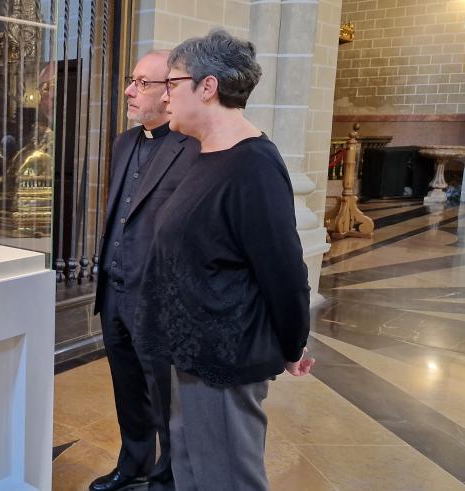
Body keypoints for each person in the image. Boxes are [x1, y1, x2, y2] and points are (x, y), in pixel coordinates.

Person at [135, 29, 316, 490]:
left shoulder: (253, 164)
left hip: (225, 357)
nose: (166, 97)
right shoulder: (205, 153)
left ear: (208, 86)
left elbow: (284, 271)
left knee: (228, 478)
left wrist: (292, 345)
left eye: (172, 84)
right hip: (192, 350)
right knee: (194, 472)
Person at [90, 50, 200, 491]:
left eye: (142, 83)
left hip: (155, 296)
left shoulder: (191, 148)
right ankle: (132, 462)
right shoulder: (123, 142)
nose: (130, 91)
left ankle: (166, 478)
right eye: (131, 81)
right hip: (114, 289)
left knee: (164, 396)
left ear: (169, 93)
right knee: (127, 389)